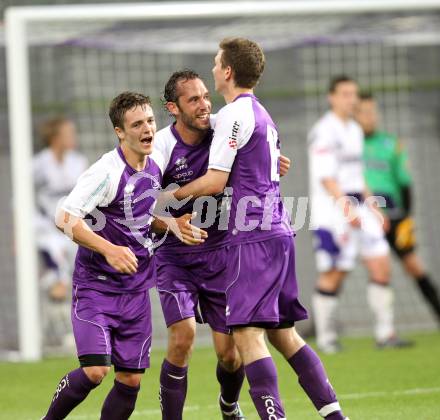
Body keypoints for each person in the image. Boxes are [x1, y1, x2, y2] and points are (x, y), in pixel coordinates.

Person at [172, 38, 348, 420]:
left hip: (252, 237)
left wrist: (172, 196)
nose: (214, 68)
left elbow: (216, 182)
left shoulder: (236, 114)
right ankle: (336, 416)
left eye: (217, 63)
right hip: (278, 231)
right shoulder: (258, 113)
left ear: (229, 71)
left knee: (248, 337)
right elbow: (264, 158)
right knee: (285, 335)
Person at [41, 92, 205, 420]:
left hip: (135, 292)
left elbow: (143, 214)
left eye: (149, 121)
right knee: (95, 371)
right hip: (96, 288)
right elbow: (64, 217)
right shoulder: (105, 172)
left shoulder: (157, 161)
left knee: (130, 380)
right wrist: (108, 249)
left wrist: (170, 224)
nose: (147, 129)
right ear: (120, 132)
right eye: (137, 124)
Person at [155, 69, 291, 420]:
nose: (203, 105)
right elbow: (143, 203)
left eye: (205, 96)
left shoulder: (222, 124)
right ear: (173, 107)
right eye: (193, 99)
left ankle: (229, 405)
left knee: (230, 356)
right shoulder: (161, 146)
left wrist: (271, 161)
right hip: (175, 257)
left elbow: (256, 150)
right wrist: (170, 220)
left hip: (220, 253)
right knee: (182, 337)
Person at [308, 75, 411, 353]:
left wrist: (373, 205)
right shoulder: (324, 130)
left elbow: (358, 173)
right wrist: (345, 207)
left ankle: (385, 333)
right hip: (332, 209)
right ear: (332, 97)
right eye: (344, 94)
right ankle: (327, 338)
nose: (350, 99)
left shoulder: (353, 129)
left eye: (353, 94)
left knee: (381, 264)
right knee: (335, 271)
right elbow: (326, 177)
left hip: (360, 205)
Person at [356, 92, 440, 325]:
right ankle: (324, 325)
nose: (370, 117)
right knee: (341, 268)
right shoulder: (349, 144)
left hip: (393, 214)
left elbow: (405, 183)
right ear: (355, 115)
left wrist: (406, 219)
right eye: (364, 112)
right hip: (361, 214)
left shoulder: (390, 143)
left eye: (373, 111)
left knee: (413, 265)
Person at [33, 117, 88, 346]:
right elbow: (21, 198)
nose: (72, 137)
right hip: (44, 228)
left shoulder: (79, 162)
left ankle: (63, 326)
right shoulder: (36, 165)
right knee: (59, 273)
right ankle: (58, 331)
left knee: (72, 276)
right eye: (68, 133)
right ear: (55, 137)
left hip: (70, 227)